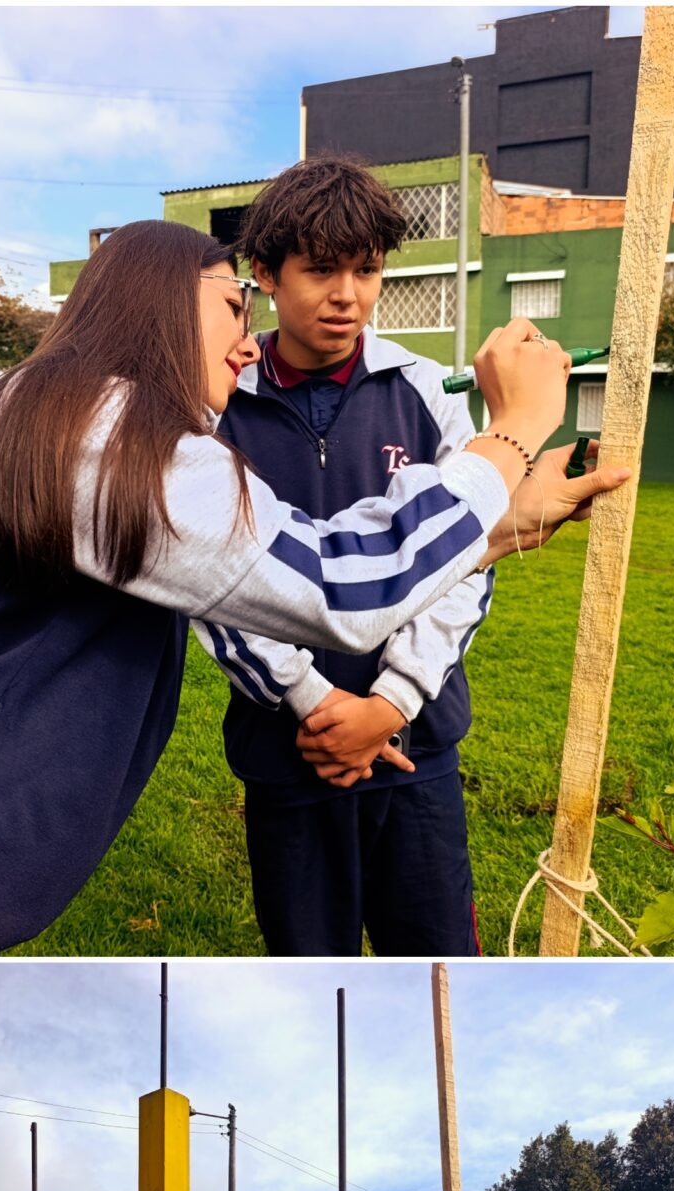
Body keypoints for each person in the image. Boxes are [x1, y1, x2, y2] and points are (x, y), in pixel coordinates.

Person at [0, 221, 619, 956]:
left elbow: (272, 573)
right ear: (152, 307)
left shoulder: (57, 409)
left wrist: (502, 521)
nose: (246, 339)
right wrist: (516, 430)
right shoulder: (98, 433)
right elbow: (341, 587)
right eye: (233, 309)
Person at [205, 155, 503, 956]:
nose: (348, 295)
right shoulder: (221, 410)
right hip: (289, 751)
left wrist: (393, 703)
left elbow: (470, 553)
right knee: (308, 966)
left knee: (437, 959)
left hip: (419, 743)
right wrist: (313, 703)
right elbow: (213, 582)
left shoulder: (423, 390)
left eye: (366, 270)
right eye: (322, 270)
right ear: (265, 272)